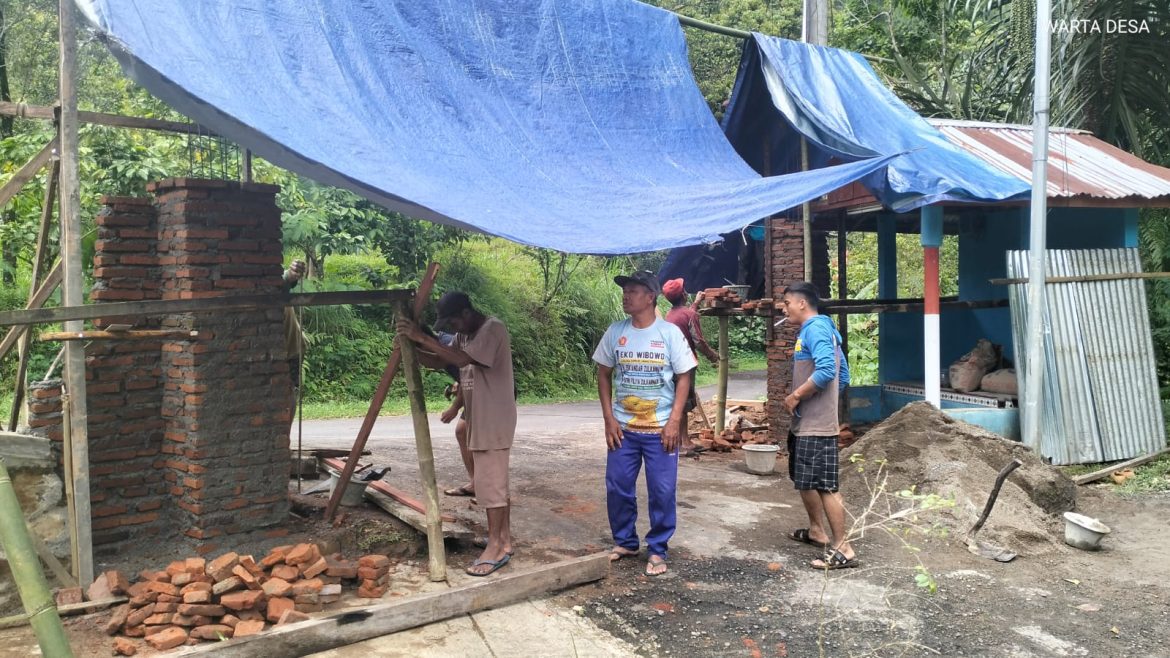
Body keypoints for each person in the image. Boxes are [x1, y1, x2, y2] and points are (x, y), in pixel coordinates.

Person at [397, 292, 517, 577]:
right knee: (494, 483)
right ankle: (503, 540)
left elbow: (461, 359)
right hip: (479, 416)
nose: (452, 329)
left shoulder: (492, 329)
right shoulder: (464, 335)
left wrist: (421, 337)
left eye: (452, 322)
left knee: (490, 486)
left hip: (494, 417)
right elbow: (442, 361)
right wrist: (412, 347)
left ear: (465, 313)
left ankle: (496, 549)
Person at [593, 271, 697, 577]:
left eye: (633, 291)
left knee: (662, 490)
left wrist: (675, 420)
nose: (626, 296)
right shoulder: (616, 331)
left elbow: (684, 376)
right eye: (625, 291)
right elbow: (603, 374)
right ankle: (625, 541)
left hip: (660, 430)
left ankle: (657, 548)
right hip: (623, 430)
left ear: (650, 297)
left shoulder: (669, 333)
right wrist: (609, 419)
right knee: (617, 487)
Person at [779, 281, 856, 570]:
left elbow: (827, 370)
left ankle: (843, 547)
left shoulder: (817, 328)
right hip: (807, 422)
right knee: (804, 478)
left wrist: (798, 396)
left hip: (817, 426)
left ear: (802, 303)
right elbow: (843, 375)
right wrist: (822, 402)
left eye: (787, 303)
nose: (784, 309)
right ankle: (816, 531)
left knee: (825, 485)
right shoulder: (814, 330)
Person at [661, 278, 718, 454]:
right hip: (684, 364)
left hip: (671, 363)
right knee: (683, 402)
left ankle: (681, 440)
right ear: (684, 294)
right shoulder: (689, 315)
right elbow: (698, 341)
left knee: (678, 400)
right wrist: (713, 356)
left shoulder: (670, 315)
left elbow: (685, 316)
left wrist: (696, 303)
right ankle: (684, 442)